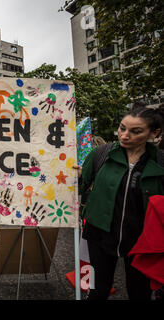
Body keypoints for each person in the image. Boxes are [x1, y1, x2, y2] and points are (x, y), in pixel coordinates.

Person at [75, 103, 164, 300]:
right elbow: (78, 186)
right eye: (122, 128)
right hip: (99, 235)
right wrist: (74, 176)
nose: (124, 135)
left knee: (139, 292)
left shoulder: (160, 161)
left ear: (154, 133)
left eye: (136, 131)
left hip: (142, 241)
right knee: (98, 291)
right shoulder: (101, 154)